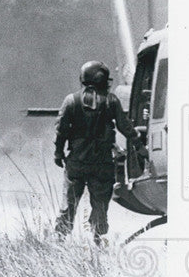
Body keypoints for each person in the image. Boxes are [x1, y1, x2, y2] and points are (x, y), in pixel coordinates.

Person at [54, 60, 147, 243]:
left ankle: (60, 238)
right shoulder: (111, 101)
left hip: (77, 163)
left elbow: (61, 130)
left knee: (69, 204)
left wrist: (58, 154)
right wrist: (140, 147)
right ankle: (97, 239)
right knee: (100, 205)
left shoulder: (71, 100)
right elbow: (125, 127)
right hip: (102, 164)